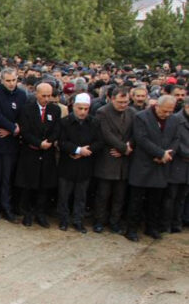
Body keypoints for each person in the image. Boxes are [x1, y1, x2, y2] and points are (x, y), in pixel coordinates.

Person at [125, 95, 177, 241]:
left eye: (170, 112)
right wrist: (160, 153)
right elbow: (141, 139)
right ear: (157, 106)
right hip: (144, 164)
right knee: (136, 201)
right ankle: (132, 229)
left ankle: (151, 227)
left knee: (155, 201)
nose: (167, 115)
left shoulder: (173, 120)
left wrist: (167, 154)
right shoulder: (142, 117)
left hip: (161, 166)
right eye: (164, 111)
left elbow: (176, 139)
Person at [14, 82, 60, 228]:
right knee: (29, 185)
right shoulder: (27, 109)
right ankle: (27, 213)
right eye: (44, 95)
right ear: (36, 94)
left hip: (47, 153)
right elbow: (25, 131)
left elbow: (57, 129)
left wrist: (50, 141)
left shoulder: (55, 109)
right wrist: (39, 143)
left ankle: (40, 214)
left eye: (49, 96)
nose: (46, 99)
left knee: (44, 186)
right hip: (31, 152)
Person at [92, 86, 135, 234]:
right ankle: (99, 221)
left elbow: (134, 133)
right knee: (103, 194)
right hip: (107, 158)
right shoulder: (102, 112)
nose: (123, 105)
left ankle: (114, 221)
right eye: (120, 102)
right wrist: (123, 148)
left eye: (126, 102)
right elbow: (105, 134)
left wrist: (127, 148)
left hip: (123, 161)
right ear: (112, 99)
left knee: (119, 195)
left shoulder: (132, 113)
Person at [56, 93, 101, 233]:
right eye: (80, 108)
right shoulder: (64, 122)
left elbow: (99, 142)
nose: (82, 112)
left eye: (85, 109)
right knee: (64, 194)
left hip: (85, 164)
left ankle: (78, 220)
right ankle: (63, 220)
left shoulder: (94, 122)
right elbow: (61, 141)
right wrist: (77, 150)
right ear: (73, 107)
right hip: (68, 163)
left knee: (81, 195)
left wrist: (86, 151)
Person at [0, 68, 26, 223]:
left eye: (14, 80)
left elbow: (23, 116)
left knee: (7, 179)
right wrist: (12, 127)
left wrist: (14, 130)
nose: (11, 84)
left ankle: (7, 208)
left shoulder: (22, 94)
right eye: (8, 81)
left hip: (12, 142)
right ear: (2, 80)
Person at [164, 99, 189, 233]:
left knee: (181, 196)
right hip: (177, 163)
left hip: (186, 167)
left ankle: (177, 222)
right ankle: (166, 223)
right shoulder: (176, 119)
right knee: (170, 196)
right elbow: (175, 141)